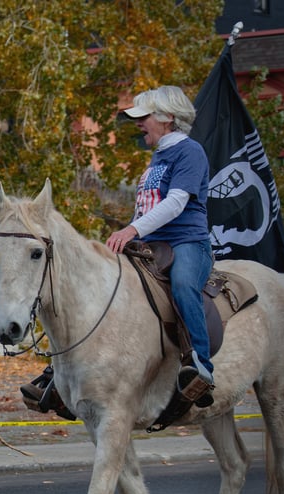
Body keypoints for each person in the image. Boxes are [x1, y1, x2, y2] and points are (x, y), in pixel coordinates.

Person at [21, 85, 215, 413]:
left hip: (186, 243)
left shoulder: (189, 151)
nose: (139, 124)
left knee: (183, 285)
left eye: (145, 117)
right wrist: (130, 233)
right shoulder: (157, 158)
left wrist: (131, 229)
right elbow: (146, 207)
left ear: (168, 118)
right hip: (149, 246)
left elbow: (176, 202)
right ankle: (61, 374)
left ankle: (199, 365)